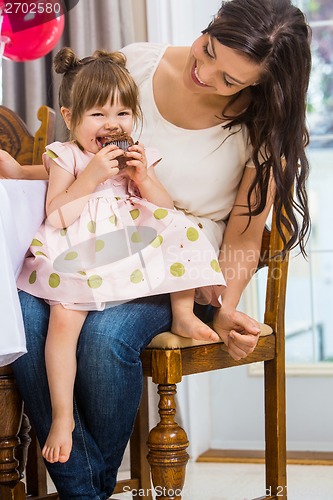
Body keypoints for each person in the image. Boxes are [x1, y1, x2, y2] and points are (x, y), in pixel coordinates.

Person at [0, 0, 311, 497]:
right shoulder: (137, 63)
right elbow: (86, 167)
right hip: (92, 246)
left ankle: (83, 490)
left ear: (257, 86)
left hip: (173, 266)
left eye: (229, 80)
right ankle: (89, 488)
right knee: (26, 315)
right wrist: (24, 174)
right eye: (207, 49)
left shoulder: (264, 124)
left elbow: (246, 232)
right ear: (208, 28)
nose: (204, 74)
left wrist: (223, 307)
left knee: (104, 339)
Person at [16, 46, 225, 464]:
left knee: (178, 229)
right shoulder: (67, 156)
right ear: (70, 116)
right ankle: (62, 417)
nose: (112, 124)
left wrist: (143, 177)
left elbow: (164, 208)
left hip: (130, 252)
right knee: (61, 323)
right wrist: (91, 176)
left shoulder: (137, 155)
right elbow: (57, 215)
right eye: (97, 114)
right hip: (81, 254)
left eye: (122, 113)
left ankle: (182, 311)